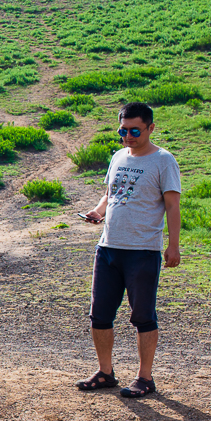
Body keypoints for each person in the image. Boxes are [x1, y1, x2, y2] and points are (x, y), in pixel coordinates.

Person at [75, 103, 182, 399]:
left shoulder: (163, 161)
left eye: (135, 130)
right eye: (123, 130)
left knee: (143, 316)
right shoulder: (118, 156)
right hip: (108, 247)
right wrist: (97, 211)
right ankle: (105, 372)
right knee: (99, 314)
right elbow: (111, 194)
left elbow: (172, 205)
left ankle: (145, 378)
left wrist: (173, 245)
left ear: (150, 128)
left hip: (142, 250)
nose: (128, 136)